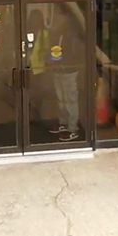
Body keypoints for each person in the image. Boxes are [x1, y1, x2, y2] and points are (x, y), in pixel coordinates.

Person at [47, 13, 85, 142]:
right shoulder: (56, 34)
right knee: (61, 99)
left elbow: (77, 53)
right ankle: (63, 123)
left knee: (70, 99)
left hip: (69, 71)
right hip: (58, 70)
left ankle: (73, 129)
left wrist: (68, 63)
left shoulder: (72, 35)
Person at [27, 9, 49, 125]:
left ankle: (37, 115)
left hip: (40, 68)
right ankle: (30, 114)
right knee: (29, 91)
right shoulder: (26, 32)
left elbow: (48, 50)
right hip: (27, 66)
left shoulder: (44, 33)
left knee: (38, 93)